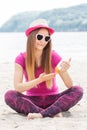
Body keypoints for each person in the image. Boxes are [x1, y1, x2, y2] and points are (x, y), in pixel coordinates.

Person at [4, 19, 83, 119]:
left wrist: (64, 71)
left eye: (47, 38)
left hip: (53, 100)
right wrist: (39, 80)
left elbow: (70, 85)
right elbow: (18, 88)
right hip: (32, 101)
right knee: (9, 95)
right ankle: (52, 112)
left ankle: (41, 114)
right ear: (32, 37)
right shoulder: (21, 58)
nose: (43, 41)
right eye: (40, 37)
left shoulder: (53, 55)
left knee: (78, 90)